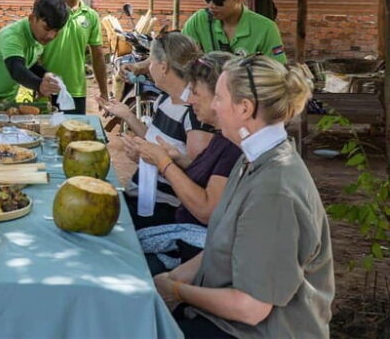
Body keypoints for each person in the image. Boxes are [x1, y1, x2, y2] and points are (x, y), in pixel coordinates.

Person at [154, 55, 334, 338]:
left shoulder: (274, 190)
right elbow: (220, 246)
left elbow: (250, 308)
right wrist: (170, 279)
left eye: (220, 98)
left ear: (245, 108)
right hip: (225, 322)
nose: (214, 105)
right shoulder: (252, 158)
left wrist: (177, 291)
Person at [132, 52, 241, 275]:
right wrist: (177, 159)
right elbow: (205, 178)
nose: (190, 100)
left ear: (220, 96)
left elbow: (206, 210)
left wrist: (164, 163)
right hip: (187, 242)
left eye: (196, 92)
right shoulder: (222, 138)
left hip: (195, 255)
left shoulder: (234, 147)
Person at [97, 32, 214, 230]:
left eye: (151, 62)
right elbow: (155, 140)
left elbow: (198, 176)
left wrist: (155, 162)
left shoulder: (194, 114)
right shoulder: (164, 99)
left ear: (163, 67)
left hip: (162, 211)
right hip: (140, 195)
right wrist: (127, 115)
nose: (149, 68)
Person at [122, 0, 286, 78]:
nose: (211, 6)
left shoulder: (266, 29)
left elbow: (278, 73)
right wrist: (139, 66)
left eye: (219, 1)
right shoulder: (200, 20)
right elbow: (175, 52)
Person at [41, 0, 108, 114]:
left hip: (76, 91)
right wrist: (36, 84)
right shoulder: (47, 8)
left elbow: (98, 55)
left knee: (75, 129)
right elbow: (34, 48)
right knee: (46, 129)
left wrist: (104, 92)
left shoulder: (91, 16)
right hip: (47, 88)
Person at [0, 0, 69, 104]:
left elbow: (30, 65)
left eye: (56, 31)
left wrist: (47, 76)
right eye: (46, 28)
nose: (51, 36)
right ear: (32, 18)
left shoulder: (37, 38)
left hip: (7, 102)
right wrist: (40, 85)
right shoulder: (12, 36)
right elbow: (16, 69)